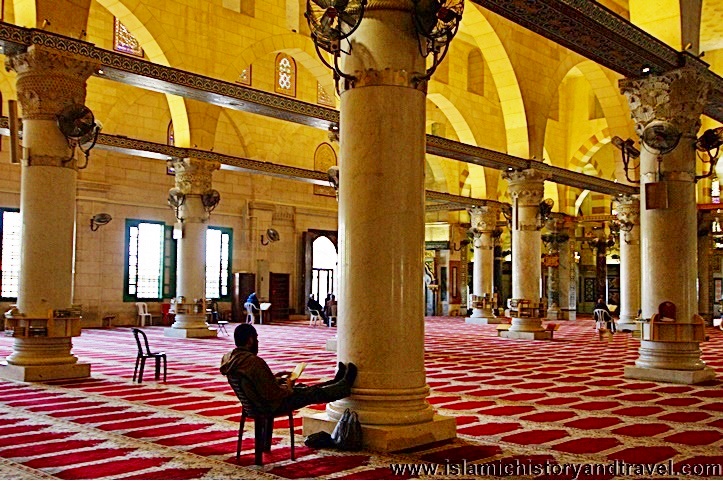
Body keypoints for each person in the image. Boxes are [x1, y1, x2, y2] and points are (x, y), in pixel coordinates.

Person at [220, 324, 357, 413]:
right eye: (256, 339)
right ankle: (343, 386)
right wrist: (289, 386)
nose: (258, 342)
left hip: (255, 403)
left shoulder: (230, 359)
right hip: (270, 405)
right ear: (250, 341)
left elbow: (255, 382)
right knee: (310, 393)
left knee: (306, 389)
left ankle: (336, 382)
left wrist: (277, 378)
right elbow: (273, 394)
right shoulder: (253, 362)